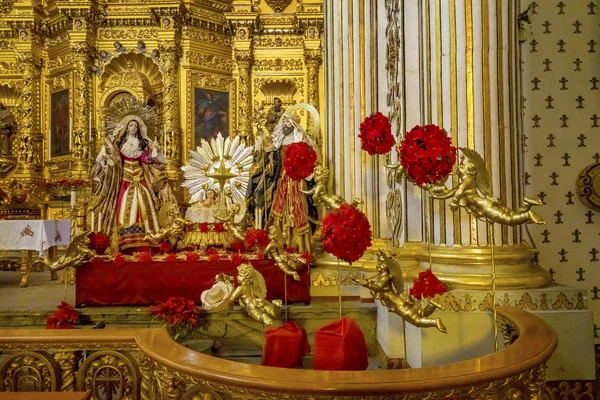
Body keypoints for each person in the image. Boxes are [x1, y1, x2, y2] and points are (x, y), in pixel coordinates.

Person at [89, 114, 174, 251]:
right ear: (126, 127)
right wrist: (106, 157)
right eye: (131, 125)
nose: (133, 128)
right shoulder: (120, 143)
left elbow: (145, 159)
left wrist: (154, 153)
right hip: (125, 179)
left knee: (145, 205)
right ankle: (126, 240)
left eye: (135, 126)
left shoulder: (143, 143)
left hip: (140, 178)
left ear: (139, 128)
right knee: (123, 205)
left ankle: (147, 237)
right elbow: (115, 159)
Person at [266, 114, 318, 252]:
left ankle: (298, 243)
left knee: (297, 205)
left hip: (297, 177)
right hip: (283, 176)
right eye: (284, 121)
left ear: (294, 123)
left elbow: (311, 153)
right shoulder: (280, 138)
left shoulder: (300, 137)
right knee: (280, 206)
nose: (285, 124)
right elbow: (270, 151)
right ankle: (281, 241)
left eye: (288, 121)